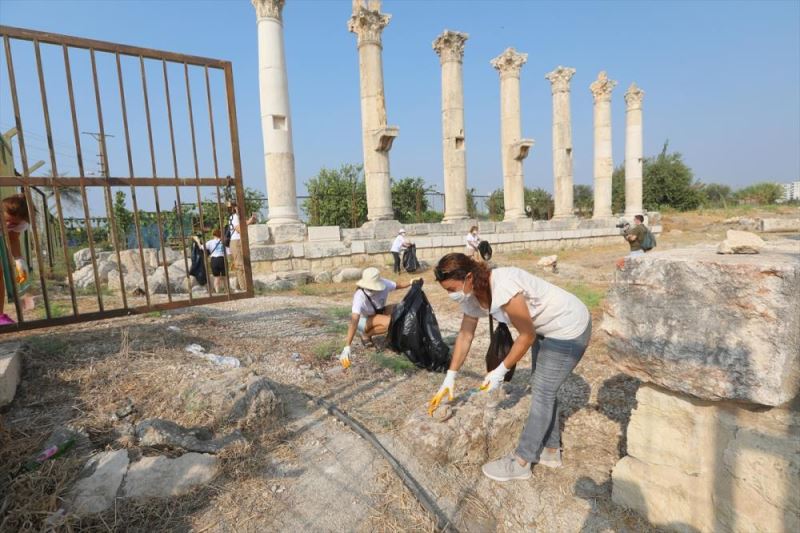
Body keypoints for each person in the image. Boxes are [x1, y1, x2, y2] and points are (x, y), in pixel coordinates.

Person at [428, 253, 591, 482]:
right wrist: (450, 377)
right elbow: (465, 335)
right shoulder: (471, 295)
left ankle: (522, 461)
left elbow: (526, 335)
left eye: (452, 288)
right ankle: (551, 451)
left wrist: (500, 370)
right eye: (447, 290)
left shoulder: (504, 286)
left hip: (568, 327)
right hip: (544, 328)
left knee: (542, 392)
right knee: (543, 389)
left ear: (468, 277)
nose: (451, 295)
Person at [338, 267, 415, 369]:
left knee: (401, 309)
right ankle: (365, 334)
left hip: (378, 312)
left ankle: (386, 335)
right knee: (390, 323)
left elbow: (398, 285)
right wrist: (347, 346)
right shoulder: (359, 296)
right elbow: (354, 320)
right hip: (363, 321)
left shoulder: (384, 283)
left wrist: (411, 282)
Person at [0, 194, 32, 325]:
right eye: (7, 220)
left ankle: (0, 316)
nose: (9, 224)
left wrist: (19, 260)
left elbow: (13, 239)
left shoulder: (22, 222)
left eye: (14, 223)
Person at [227, 203, 257, 292]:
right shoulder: (235, 217)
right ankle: (244, 288)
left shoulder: (238, 217)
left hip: (238, 241)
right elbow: (239, 229)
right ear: (235, 208)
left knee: (240, 264)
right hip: (236, 242)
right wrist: (249, 221)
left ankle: (239, 286)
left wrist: (251, 221)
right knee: (240, 265)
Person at [205, 228, 227, 293]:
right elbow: (228, 252)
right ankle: (227, 290)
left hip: (214, 260)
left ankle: (217, 291)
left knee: (216, 277)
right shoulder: (223, 242)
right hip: (222, 259)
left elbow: (201, 247)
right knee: (224, 277)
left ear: (213, 234)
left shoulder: (210, 242)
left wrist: (197, 241)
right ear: (220, 234)